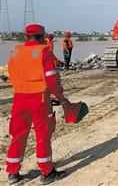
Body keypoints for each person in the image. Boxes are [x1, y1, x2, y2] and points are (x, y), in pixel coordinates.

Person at [6, 24, 72, 185]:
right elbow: (52, 80)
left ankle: (13, 173)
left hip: (19, 98)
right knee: (43, 136)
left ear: (26, 36)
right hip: (39, 99)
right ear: (42, 36)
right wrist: (61, 98)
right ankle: (47, 171)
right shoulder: (44, 52)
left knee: (18, 135)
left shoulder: (16, 51)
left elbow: (10, 74)